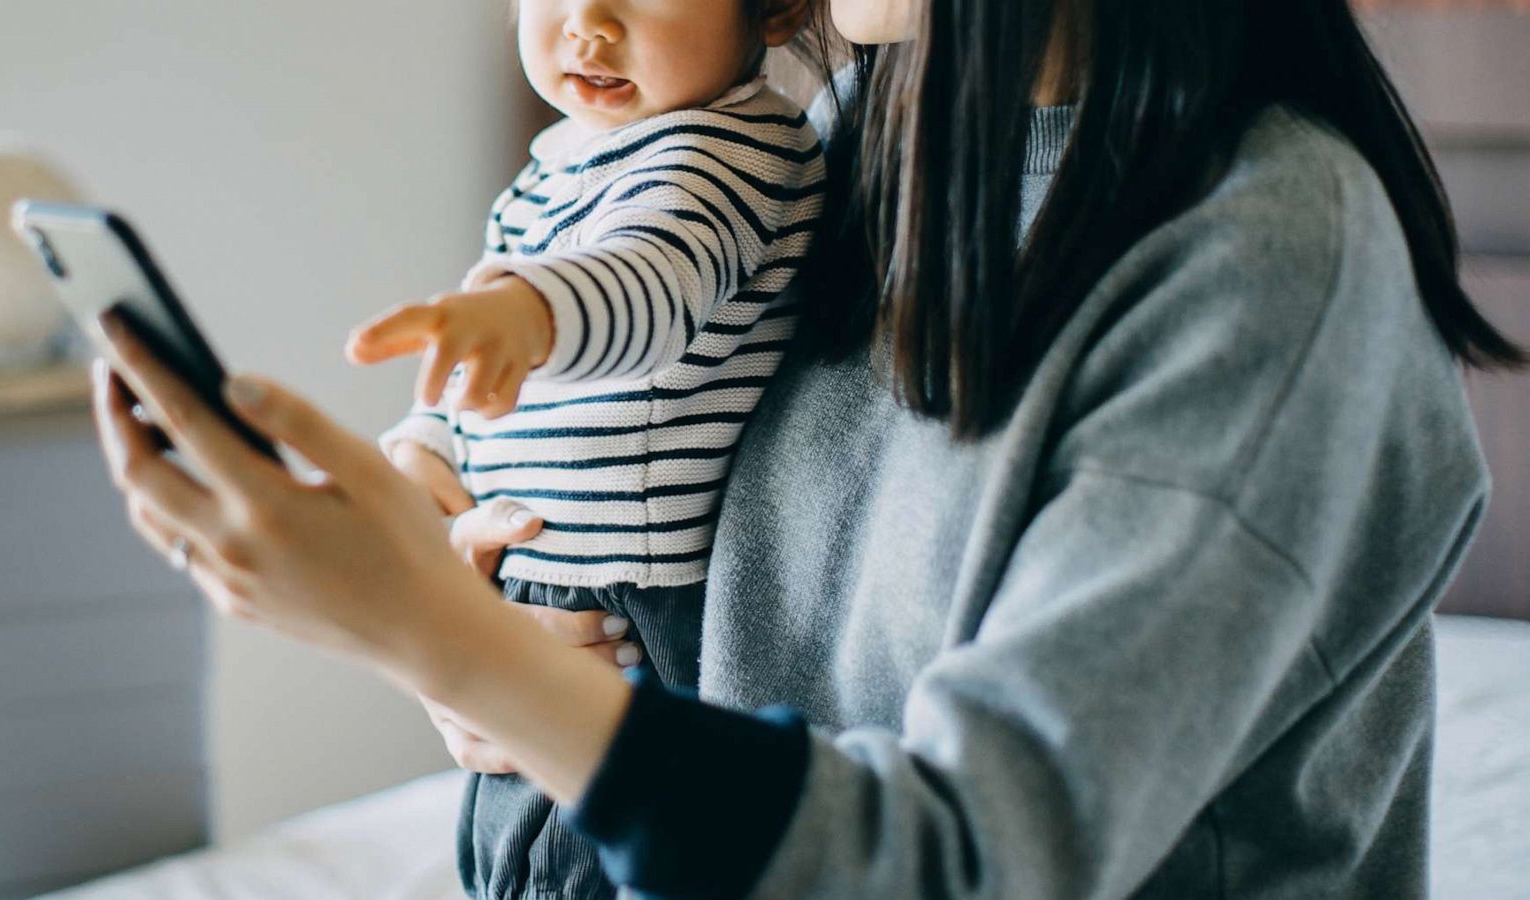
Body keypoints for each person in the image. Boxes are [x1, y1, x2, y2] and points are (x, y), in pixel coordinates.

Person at [91, 0, 1526, 896]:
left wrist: (446, 646)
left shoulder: (1266, 261)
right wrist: (497, 640)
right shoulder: (845, 142)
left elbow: (975, 862)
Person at [341, 0, 822, 894]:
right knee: (508, 848)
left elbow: (648, 283)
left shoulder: (729, 151)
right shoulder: (556, 167)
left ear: (778, 9)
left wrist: (528, 311)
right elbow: (484, 388)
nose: (589, 24)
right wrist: (427, 450)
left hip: (634, 603)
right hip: (542, 578)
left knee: (574, 866)